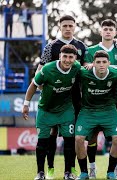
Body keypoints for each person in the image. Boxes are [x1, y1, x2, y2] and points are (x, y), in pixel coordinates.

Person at [35, 15, 87, 179]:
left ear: (75, 27)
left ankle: (70, 170)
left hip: (74, 96)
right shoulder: (51, 46)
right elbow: (41, 68)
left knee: (70, 135)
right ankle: (49, 168)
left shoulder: (81, 46)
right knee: (52, 132)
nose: (67, 28)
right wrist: (42, 87)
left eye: (70, 25)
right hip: (54, 96)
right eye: (64, 25)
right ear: (59, 26)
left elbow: (84, 68)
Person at [22, 44, 81, 180]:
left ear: (75, 58)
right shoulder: (48, 69)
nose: (67, 60)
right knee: (42, 143)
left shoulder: (77, 67)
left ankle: (68, 173)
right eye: (64, 56)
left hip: (65, 110)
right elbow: (33, 85)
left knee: (69, 141)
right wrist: (26, 104)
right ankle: (40, 173)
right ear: (59, 56)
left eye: (70, 57)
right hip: (46, 110)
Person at [83, 19, 117, 179]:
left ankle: (116, 168)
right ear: (101, 31)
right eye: (105, 29)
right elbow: (85, 65)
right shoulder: (91, 50)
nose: (108, 31)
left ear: (115, 32)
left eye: (111, 29)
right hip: (94, 99)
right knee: (92, 135)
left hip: (116, 99)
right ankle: (92, 167)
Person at [75, 50, 117, 180]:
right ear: (93, 63)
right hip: (88, 110)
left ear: (109, 63)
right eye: (98, 62)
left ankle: (111, 172)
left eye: (104, 62)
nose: (101, 65)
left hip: (109, 110)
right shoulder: (84, 72)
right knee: (79, 139)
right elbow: (69, 67)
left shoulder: (115, 73)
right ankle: (84, 172)